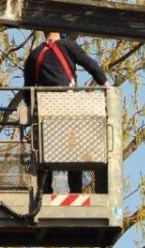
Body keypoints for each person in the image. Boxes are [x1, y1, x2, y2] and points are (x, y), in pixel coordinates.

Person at [22, 31, 111, 193]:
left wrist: (32, 110)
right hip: (69, 109)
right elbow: (90, 65)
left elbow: (27, 90)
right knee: (73, 153)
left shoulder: (34, 56)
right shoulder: (68, 46)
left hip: (46, 112)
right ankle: (76, 191)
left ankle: (45, 192)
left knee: (45, 153)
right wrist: (107, 87)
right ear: (61, 33)